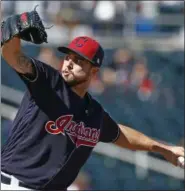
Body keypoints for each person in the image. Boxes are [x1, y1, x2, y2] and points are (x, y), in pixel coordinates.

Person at [1, 9, 184, 191]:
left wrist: (162, 148)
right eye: (68, 57)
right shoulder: (47, 82)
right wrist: (13, 32)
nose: (69, 63)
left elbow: (120, 134)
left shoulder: (93, 114)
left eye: (79, 60)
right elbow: (14, 56)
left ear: (94, 71)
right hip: (14, 185)